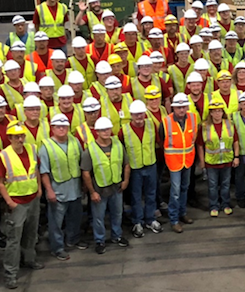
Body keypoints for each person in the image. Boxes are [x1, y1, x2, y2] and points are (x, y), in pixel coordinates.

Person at [0, 125, 42, 289]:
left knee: (31, 233)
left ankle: (29, 259)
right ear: (10, 138)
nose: (20, 139)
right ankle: (11, 273)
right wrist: (9, 202)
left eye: (22, 136)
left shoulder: (31, 149)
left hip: (33, 199)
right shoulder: (3, 156)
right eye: (16, 137)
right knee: (14, 240)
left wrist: (39, 189)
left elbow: (36, 170)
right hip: (16, 203)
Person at [82, 117, 131, 254]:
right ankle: (100, 240)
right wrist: (92, 192)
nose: (105, 132)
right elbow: (85, 173)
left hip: (116, 187)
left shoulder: (117, 144)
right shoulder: (90, 150)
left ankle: (117, 236)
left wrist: (125, 180)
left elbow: (126, 164)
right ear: (97, 131)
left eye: (107, 129)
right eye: (102, 130)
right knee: (99, 218)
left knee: (117, 213)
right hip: (100, 190)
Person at [37, 115, 82, 259]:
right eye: (58, 126)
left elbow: (81, 163)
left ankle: (72, 240)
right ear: (52, 129)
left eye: (64, 126)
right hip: (58, 191)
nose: (62, 129)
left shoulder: (75, 141)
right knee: (56, 222)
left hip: (75, 189)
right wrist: (49, 191)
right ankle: (57, 248)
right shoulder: (46, 147)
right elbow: (44, 172)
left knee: (75, 218)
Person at [121, 100, 159, 235]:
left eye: (141, 114)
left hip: (150, 165)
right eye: (136, 114)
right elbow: (121, 151)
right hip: (134, 168)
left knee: (151, 193)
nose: (139, 117)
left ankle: (150, 219)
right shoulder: (124, 130)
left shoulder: (151, 125)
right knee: (136, 196)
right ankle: (137, 221)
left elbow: (157, 141)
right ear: (131, 114)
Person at [162, 94, 198, 231]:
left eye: (183, 107)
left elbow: (193, 137)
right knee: (175, 191)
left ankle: (183, 213)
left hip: (188, 160)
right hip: (174, 162)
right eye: (178, 107)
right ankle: (174, 219)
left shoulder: (193, 118)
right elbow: (162, 139)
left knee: (185, 188)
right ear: (173, 108)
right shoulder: (166, 121)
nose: (181, 110)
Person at [200, 99, 236, 218]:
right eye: (214, 111)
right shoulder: (205, 126)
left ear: (223, 112)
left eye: (219, 111)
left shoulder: (229, 124)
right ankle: (214, 206)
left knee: (226, 184)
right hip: (211, 162)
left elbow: (235, 141)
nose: (217, 114)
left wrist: (236, 157)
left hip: (227, 161)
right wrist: (202, 161)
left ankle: (225, 204)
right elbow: (200, 145)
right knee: (212, 185)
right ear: (210, 113)